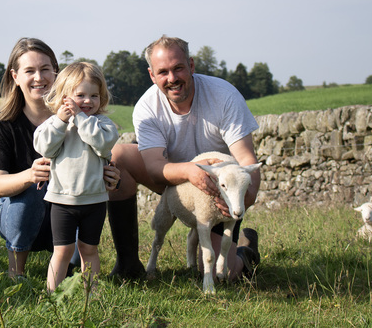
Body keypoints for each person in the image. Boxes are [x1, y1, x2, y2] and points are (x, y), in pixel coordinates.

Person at [108, 35, 261, 280]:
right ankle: (127, 263)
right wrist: (191, 171)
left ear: (191, 65)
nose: (172, 78)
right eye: (163, 72)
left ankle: (246, 251)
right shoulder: (146, 107)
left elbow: (245, 159)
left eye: (178, 68)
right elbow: (155, 166)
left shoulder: (224, 95)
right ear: (151, 75)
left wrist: (242, 199)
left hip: (217, 188)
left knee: (222, 275)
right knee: (119, 155)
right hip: (175, 179)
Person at [0, 38, 120, 278]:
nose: (39, 77)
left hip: (72, 202)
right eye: (30, 71)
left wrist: (109, 172)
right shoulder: (2, 124)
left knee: (80, 253)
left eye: (45, 69)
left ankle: (77, 277)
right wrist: (29, 175)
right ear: (15, 76)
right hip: (21, 210)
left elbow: (101, 147)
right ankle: (16, 271)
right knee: (32, 194)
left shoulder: (83, 114)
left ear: (57, 73)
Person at [34, 62, 119, 292]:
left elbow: (102, 145)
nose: (88, 101)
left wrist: (80, 118)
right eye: (80, 95)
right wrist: (61, 121)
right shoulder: (56, 125)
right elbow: (44, 148)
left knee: (89, 250)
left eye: (94, 95)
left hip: (94, 201)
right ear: (64, 97)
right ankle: (51, 296)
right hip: (62, 201)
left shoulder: (103, 125)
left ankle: (89, 296)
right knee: (62, 251)